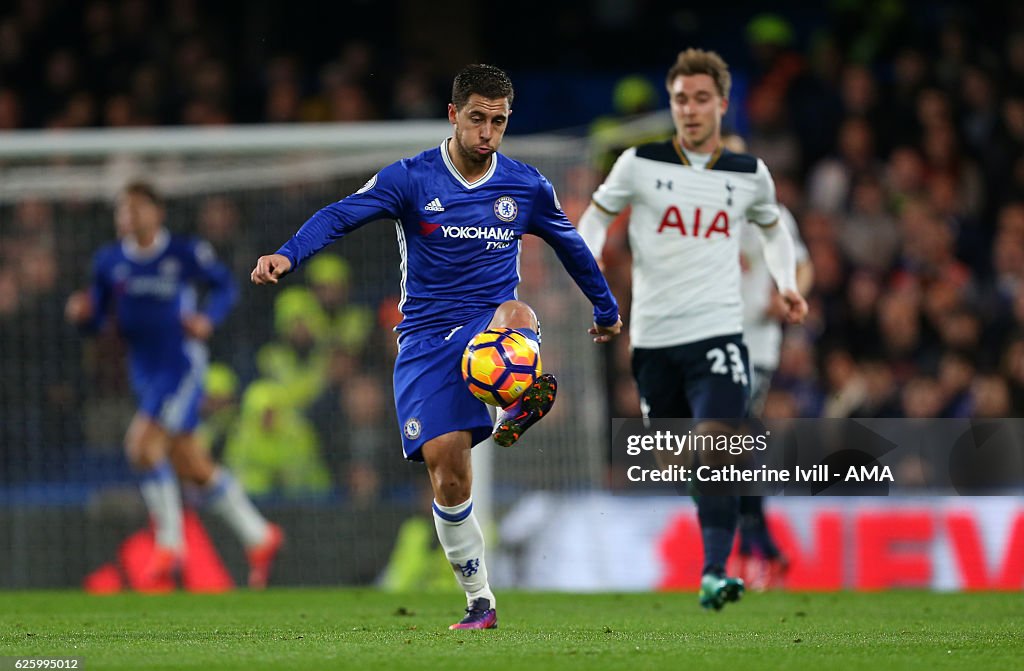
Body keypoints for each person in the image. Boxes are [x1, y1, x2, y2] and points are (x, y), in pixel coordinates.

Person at [252, 64, 622, 629]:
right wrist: (288, 254)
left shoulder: (525, 185)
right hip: (425, 338)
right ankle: (480, 599)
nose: (487, 133)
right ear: (453, 115)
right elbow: (339, 215)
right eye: (477, 119)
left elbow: (569, 243)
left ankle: (518, 397)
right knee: (448, 474)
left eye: (498, 122)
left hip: (487, 324)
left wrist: (606, 307)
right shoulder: (411, 178)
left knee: (517, 311)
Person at [578, 49, 807, 610]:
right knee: (680, 459)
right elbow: (595, 217)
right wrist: (592, 279)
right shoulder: (638, 164)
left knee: (721, 441)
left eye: (702, 97)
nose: (690, 108)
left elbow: (779, 234)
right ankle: (750, 542)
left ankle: (717, 570)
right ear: (671, 105)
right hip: (655, 340)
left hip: (725, 336)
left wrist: (787, 283)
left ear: (722, 105)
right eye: (680, 98)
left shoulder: (749, 176)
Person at [66, 181, 284, 590]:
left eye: (135, 209)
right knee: (190, 464)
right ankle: (260, 536)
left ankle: (169, 545)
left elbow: (225, 286)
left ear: (156, 212)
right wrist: (82, 315)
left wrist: (207, 320)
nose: (127, 217)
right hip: (144, 371)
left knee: (142, 447)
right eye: (121, 210)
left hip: (181, 365)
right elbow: (97, 320)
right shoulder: (108, 261)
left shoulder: (183, 253)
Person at [726, 133, 815, 590]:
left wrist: (788, 292)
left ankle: (753, 554)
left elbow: (803, 265)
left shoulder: (772, 216)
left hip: (754, 347)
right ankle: (768, 552)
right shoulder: (697, 219)